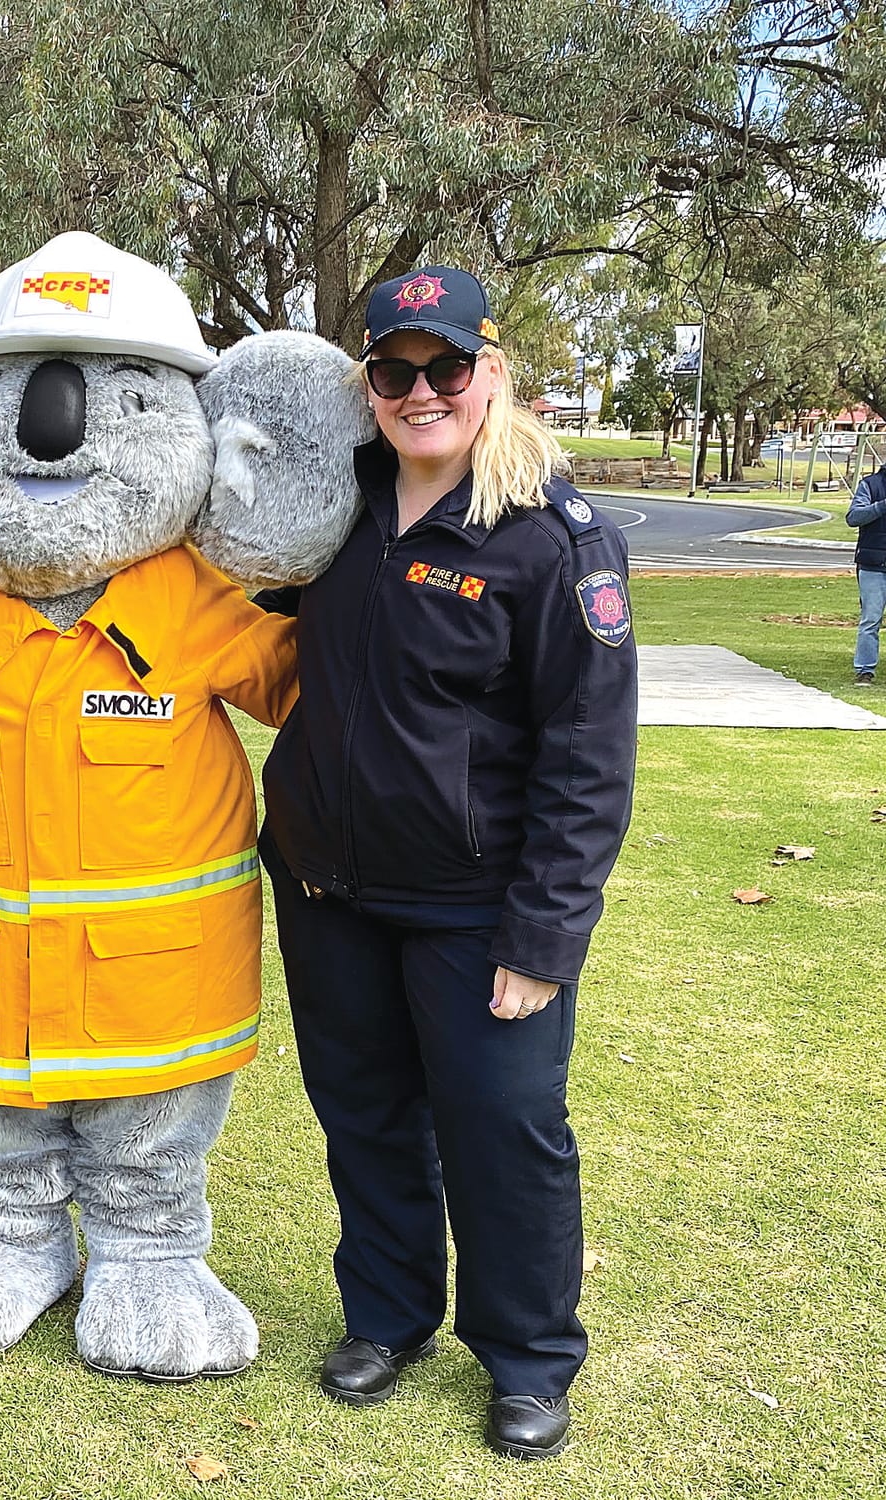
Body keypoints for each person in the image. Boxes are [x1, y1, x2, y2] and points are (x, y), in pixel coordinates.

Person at [258, 267, 638, 1460]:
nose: (419, 393)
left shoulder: (553, 542)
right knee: (363, 1117)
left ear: (489, 373)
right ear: (365, 384)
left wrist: (542, 939)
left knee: (501, 1127)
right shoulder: (327, 513)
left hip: (476, 909)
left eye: (445, 368)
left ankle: (526, 1357)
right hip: (328, 889)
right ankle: (387, 1316)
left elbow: (587, 759)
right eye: (392, 370)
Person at [846, 461, 884, 684]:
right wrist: (881, 506)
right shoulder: (870, 485)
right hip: (873, 565)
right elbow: (854, 517)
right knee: (871, 619)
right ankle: (865, 670)